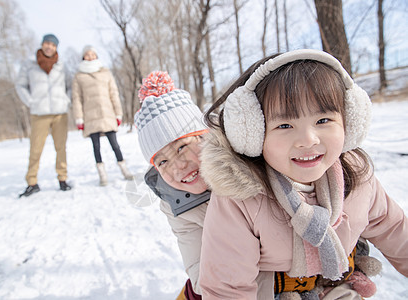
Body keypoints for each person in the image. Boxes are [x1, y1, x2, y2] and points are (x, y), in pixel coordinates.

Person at [198, 49, 408, 299]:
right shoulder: (240, 198)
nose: (308, 140)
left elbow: (395, 230)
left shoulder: (359, 180)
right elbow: (227, 288)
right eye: (285, 125)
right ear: (253, 135)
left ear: (349, 121)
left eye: (323, 120)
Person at [134, 71, 210, 299]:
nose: (178, 167)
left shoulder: (245, 165)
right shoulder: (174, 203)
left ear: (204, 138)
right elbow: (200, 274)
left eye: (181, 147)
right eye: (163, 161)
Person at [16, 34, 72, 197]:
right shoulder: (30, 65)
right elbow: (20, 85)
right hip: (39, 113)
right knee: (35, 148)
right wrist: (31, 102)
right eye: (47, 44)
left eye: (53, 45)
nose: (50, 47)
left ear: (56, 48)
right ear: (42, 45)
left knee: (61, 148)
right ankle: (32, 182)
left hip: (60, 113)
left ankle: (62, 179)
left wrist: (66, 101)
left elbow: (69, 85)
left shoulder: (61, 66)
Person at [72, 45, 133, 185]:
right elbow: (77, 98)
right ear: (83, 57)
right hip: (90, 116)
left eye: (93, 54)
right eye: (87, 54)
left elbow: (114, 93)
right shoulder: (79, 76)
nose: (90, 56)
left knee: (115, 145)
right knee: (96, 146)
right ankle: (102, 175)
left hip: (107, 114)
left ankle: (124, 169)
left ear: (97, 56)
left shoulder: (106, 72)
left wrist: (118, 113)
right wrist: (79, 118)